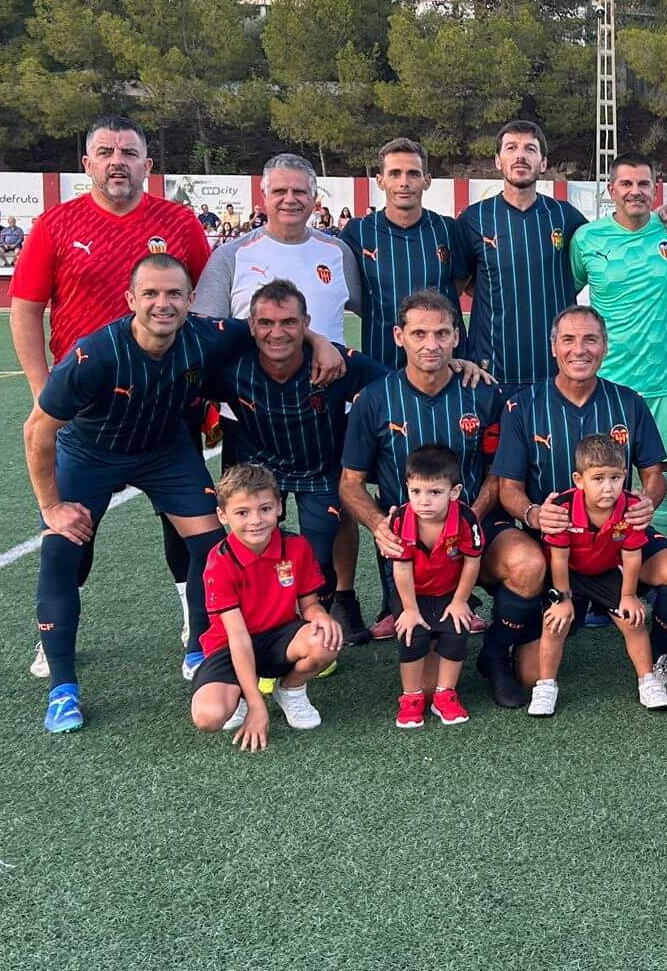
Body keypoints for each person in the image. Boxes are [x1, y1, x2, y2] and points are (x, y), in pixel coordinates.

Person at [22, 254, 340, 733]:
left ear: (191, 301)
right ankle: (62, 686)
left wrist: (319, 341)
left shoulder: (206, 334)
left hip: (164, 452)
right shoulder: (95, 354)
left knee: (212, 545)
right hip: (92, 453)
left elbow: (269, 328)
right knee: (61, 548)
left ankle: (200, 648)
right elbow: (37, 430)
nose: (163, 303)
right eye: (150, 293)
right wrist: (51, 506)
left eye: (174, 293)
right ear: (130, 299)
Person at [10, 114, 214, 677]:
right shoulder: (56, 224)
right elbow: (26, 310)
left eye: (128, 153)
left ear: (148, 164)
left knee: (185, 521)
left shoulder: (178, 222)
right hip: (87, 411)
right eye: (105, 152)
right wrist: (43, 393)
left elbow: (207, 302)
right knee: (74, 523)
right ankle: (54, 634)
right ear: (87, 164)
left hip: (167, 404)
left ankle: (195, 617)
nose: (116, 162)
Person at [491, 305, 667, 708]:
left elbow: (655, 474)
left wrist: (647, 502)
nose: (579, 349)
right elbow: (508, 488)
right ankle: (498, 651)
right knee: (530, 675)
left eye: (590, 339)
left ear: (605, 347)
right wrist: (534, 514)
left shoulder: (628, 402)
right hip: (555, 545)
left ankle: (656, 660)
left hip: (617, 539)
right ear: (553, 347)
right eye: (569, 340)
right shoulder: (523, 406)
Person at [338, 290, 506, 678]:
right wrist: (380, 526)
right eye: (419, 334)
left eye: (442, 333)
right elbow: (350, 483)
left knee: (524, 565)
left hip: (473, 536)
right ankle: (408, 607)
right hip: (410, 550)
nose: (431, 344)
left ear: (456, 336)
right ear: (399, 336)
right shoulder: (374, 400)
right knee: (427, 684)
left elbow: (499, 472)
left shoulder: (483, 393)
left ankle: (502, 648)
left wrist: (468, 519)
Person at [207, 280, 387, 641]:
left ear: (306, 323)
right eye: (266, 323)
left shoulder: (335, 362)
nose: (277, 333)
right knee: (253, 544)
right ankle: (262, 623)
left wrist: (456, 366)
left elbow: (396, 387)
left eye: (288, 322)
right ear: (251, 326)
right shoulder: (230, 367)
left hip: (319, 468)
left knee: (318, 560)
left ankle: (319, 621)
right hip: (258, 469)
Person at [568, 152, 667, 533]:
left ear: (656, 189)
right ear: (611, 189)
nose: (634, 191)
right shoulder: (587, 239)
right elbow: (565, 295)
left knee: (663, 494)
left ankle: (663, 559)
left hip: (663, 383)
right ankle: (605, 561)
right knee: (605, 485)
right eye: (626, 183)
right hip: (608, 384)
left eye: (643, 184)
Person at [537, 433, 667, 715]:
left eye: (614, 478)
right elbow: (559, 559)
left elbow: (631, 555)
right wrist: (562, 599)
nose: (608, 488)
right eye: (598, 479)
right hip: (570, 575)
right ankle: (546, 686)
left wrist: (629, 595)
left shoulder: (631, 508)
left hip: (607, 572)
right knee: (554, 624)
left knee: (631, 620)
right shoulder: (563, 508)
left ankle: (648, 680)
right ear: (579, 480)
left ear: (625, 476)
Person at [188, 463, 344, 749]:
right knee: (208, 717)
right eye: (242, 513)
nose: (256, 520)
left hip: (279, 637)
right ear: (223, 515)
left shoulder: (296, 546)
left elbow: (309, 604)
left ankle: (290, 690)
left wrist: (320, 616)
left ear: (280, 507)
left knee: (326, 639)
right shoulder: (219, 561)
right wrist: (256, 704)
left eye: (265, 509)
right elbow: (238, 637)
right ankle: (241, 695)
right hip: (229, 646)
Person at [459, 120, 593, 386]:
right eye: (511, 148)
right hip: (490, 373)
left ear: (543, 163)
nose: (520, 156)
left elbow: (611, 239)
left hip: (555, 373)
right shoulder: (474, 219)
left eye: (530, 149)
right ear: (498, 161)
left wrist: (658, 217)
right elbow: (458, 288)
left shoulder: (566, 217)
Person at [193, 153, 362, 344]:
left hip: (329, 364)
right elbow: (203, 335)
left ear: (314, 197)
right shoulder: (230, 256)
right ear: (264, 195)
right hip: (252, 365)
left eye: (299, 191)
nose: (289, 199)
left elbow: (376, 311)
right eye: (279, 191)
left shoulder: (339, 252)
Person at [340, 137, 467, 369]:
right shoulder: (357, 232)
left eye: (413, 174)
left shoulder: (448, 230)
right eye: (395, 173)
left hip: (443, 366)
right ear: (380, 180)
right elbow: (351, 296)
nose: (404, 182)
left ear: (427, 180)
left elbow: (459, 284)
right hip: (381, 362)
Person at [388, 442, 486, 730]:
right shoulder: (400, 519)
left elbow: (472, 563)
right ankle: (411, 696)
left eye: (435, 493)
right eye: (416, 492)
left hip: (449, 592)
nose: (424, 501)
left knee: (457, 630)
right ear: (407, 488)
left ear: (454, 492)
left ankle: (445, 693)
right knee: (412, 635)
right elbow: (401, 567)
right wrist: (409, 609)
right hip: (413, 594)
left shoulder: (466, 519)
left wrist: (460, 601)